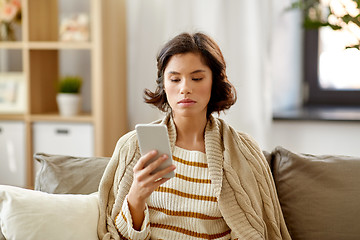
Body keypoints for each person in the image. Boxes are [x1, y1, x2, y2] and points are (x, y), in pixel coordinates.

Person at [97, 32, 291, 240]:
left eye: (197, 78)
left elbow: (250, 232)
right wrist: (136, 196)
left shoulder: (242, 151)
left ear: (214, 83)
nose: (185, 88)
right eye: (175, 79)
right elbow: (115, 234)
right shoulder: (132, 146)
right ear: (164, 84)